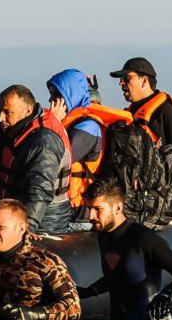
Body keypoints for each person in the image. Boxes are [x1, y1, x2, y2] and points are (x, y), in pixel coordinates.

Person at [77, 180, 172, 320]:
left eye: (97, 209)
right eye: (89, 208)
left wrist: (167, 294)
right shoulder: (104, 236)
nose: (90, 216)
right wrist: (89, 291)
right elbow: (119, 277)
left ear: (118, 208)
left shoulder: (143, 238)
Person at [110, 57, 172, 217]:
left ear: (144, 80)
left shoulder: (166, 113)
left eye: (127, 78)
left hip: (160, 192)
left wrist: (171, 202)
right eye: (121, 79)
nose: (121, 83)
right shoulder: (131, 113)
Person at [0, 85, 75, 234]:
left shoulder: (44, 140)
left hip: (44, 223)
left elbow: (40, 189)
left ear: (28, 111)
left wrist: (27, 228)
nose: (0, 118)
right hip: (9, 216)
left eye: (7, 112)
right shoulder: (5, 132)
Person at [48, 68, 130, 215]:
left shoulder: (88, 127)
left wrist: (52, 123)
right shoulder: (72, 123)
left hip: (79, 211)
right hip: (68, 208)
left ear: (69, 96)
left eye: (55, 94)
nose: (50, 100)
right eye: (51, 94)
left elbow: (54, 159)